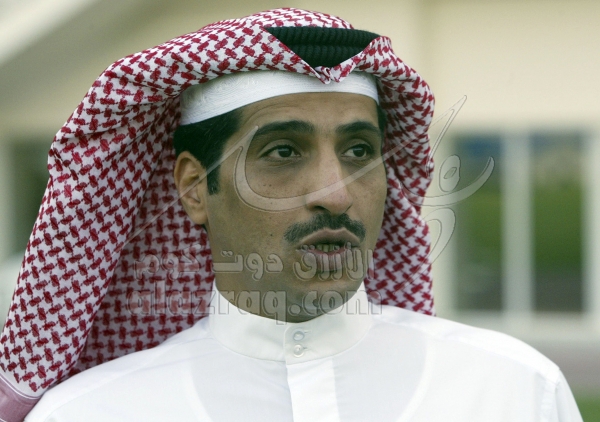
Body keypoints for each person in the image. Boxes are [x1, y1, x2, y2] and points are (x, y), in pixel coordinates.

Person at [0, 7, 582, 422]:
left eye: (359, 151)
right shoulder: (92, 412)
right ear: (194, 188)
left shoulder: (514, 392)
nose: (335, 193)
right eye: (283, 152)